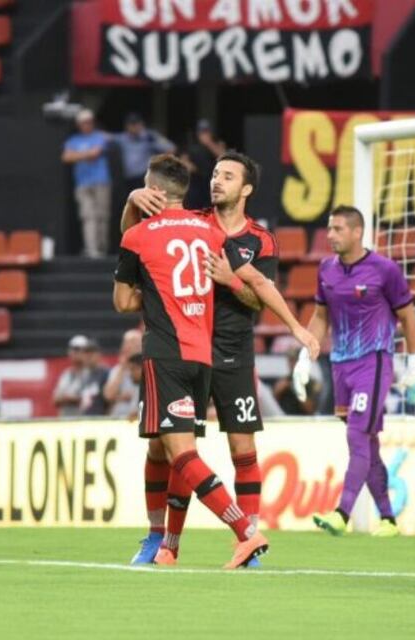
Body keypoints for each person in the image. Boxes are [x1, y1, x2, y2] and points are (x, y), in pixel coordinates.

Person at [113, 153, 319, 569]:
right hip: (199, 348)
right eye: (214, 174)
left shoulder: (258, 240)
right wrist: (134, 199)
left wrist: (231, 280)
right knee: (168, 448)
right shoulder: (201, 224)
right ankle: (166, 542)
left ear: (246, 189)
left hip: (222, 351)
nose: (217, 181)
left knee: (218, 448)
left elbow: (255, 292)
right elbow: (140, 231)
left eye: (228, 176)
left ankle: (243, 534)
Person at [292, 205, 415, 538]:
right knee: (367, 442)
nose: (330, 235)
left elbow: (408, 317)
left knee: (356, 435)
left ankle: (342, 513)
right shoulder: (326, 269)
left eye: (338, 229)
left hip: (374, 361)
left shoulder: (385, 270)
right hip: (341, 364)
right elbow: (321, 316)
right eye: (329, 228)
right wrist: (304, 357)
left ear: (358, 232)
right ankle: (388, 519)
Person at [62, 109, 112, 258]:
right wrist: (86, 155)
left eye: (89, 122)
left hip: (101, 181)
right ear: (79, 124)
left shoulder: (100, 136)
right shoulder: (73, 140)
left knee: (102, 216)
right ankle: (92, 249)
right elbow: (66, 157)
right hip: (83, 183)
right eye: (84, 123)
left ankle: (102, 248)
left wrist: (77, 155)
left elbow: (95, 153)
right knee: (88, 216)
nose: (87, 125)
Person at [115, 113, 175, 199]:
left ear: (141, 124)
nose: (134, 127)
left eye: (136, 124)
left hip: (144, 178)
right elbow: (106, 138)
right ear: (127, 126)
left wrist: (154, 140)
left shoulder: (149, 136)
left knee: (147, 202)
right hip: (128, 178)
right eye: (132, 124)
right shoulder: (123, 138)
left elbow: (171, 148)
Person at [53, 335, 108, 417]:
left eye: (78, 350)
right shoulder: (67, 374)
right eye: (73, 349)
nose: (75, 353)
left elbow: (93, 399)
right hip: (65, 421)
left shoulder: (93, 373)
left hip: (83, 420)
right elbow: (55, 399)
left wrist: (69, 398)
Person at [181, 120, 226, 209]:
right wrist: (191, 167)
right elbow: (183, 161)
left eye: (206, 132)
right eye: (202, 132)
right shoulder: (191, 145)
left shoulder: (217, 143)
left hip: (211, 182)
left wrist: (209, 143)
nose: (204, 135)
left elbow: (223, 156)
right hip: (195, 183)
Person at [103, 328, 143, 419]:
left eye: (134, 343)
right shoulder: (118, 369)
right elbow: (108, 395)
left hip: (139, 418)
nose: (131, 347)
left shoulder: (148, 368)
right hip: (118, 418)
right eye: (127, 343)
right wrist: (123, 367)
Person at [275, 347, 320, 415]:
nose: (292, 364)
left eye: (295, 360)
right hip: (284, 418)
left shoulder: (310, 382)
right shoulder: (284, 381)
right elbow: (272, 405)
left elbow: (310, 410)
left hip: (303, 420)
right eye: (290, 360)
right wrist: (278, 391)